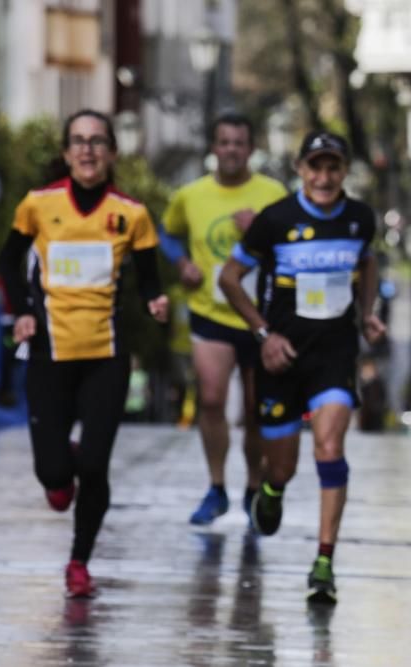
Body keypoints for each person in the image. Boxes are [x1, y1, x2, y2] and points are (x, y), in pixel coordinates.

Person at [0, 109, 168, 598]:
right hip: (50, 350)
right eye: (78, 141)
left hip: (104, 354)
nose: (87, 150)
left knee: (94, 466)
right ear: (66, 152)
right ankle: (61, 464)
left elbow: (149, 276)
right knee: (53, 475)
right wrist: (23, 311)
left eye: (97, 141)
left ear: (112, 151)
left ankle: (79, 562)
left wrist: (155, 300)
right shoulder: (38, 204)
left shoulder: (130, 213)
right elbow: (9, 263)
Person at [219, 130, 386, 604]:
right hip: (281, 359)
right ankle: (271, 490)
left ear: (344, 171)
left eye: (333, 167)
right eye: (315, 167)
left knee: (330, 448)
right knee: (283, 467)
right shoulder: (275, 220)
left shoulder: (359, 219)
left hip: (333, 356)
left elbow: (368, 264)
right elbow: (229, 278)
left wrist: (368, 311)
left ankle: (324, 562)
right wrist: (261, 334)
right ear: (300, 170)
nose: (324, 177)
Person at [160, 112, 288, 526]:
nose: (231, 149)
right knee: (211, 398)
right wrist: (181, 262)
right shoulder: (191, 195)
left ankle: (252, 487)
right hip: (210, 311)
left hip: (258, 317)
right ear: (213, 149)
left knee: (253, 411)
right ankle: (216, 487)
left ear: (251, 149)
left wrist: (259, 230)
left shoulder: (272, 193)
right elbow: (165, 232)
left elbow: (294, 244)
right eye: (224, 142)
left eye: (239, 142)